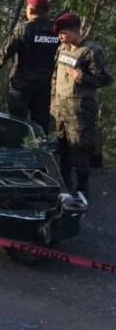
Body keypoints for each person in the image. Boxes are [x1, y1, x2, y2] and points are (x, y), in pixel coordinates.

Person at [0, 0, 58, 132]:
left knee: (17, 124)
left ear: (30, 10)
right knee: (41, 124)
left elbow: (5, 52)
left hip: (21, 86)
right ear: (46, 11)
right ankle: (41, 151)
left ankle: (16, 151)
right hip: (45, 86)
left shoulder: (25, 28)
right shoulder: (56, 31)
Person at [50, 13, 111, 199]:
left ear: (76, 30)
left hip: (80, 109)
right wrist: (52, 101)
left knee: (80, 148)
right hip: (60, 106)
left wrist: (81, 77)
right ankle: (65, 183)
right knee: (62, 146)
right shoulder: (62, 48)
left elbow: (105, 78)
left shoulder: (91, 51)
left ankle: (82, 188)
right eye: (59, 33)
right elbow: (55, 76)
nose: (60, 36)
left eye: (64, 33)